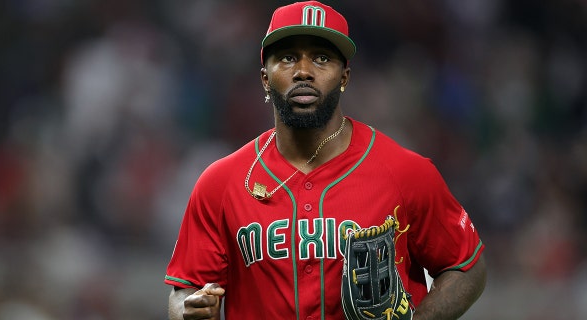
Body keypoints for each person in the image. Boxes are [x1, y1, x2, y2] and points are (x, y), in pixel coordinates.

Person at [165, 1, 486, 319]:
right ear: (265, 77)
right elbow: (184, 292)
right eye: (288, 58)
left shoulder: (404, 172)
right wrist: (190, 310)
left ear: (344, 76)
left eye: (322, 58)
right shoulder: (221, 183)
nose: (304, 71)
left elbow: (467, 267)